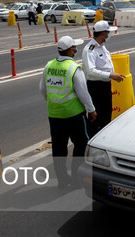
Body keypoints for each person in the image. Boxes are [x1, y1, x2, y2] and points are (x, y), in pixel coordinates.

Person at [39, 36, 97, 187]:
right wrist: (91, 110)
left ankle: (62, 180)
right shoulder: (73, 68)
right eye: (74, 47)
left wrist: (53, 102)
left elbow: (42, 89)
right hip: (74, 114)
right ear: (71, 50)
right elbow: (83, 92)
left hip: (54, 115)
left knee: (58, 148)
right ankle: (77, 177)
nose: (75, 49)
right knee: (81, 143)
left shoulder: (49, 66)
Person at [81, 20, 125, 136]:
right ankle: (93, 141)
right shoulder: (90, 49)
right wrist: (111, 75)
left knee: (106, 115)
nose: (109, 34)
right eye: (107, 32)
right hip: (96, 87)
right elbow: (91, 71)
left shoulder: (102, 46)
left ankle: (104, 138)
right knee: (96, 118)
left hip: (105, 86)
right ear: (102, 33)